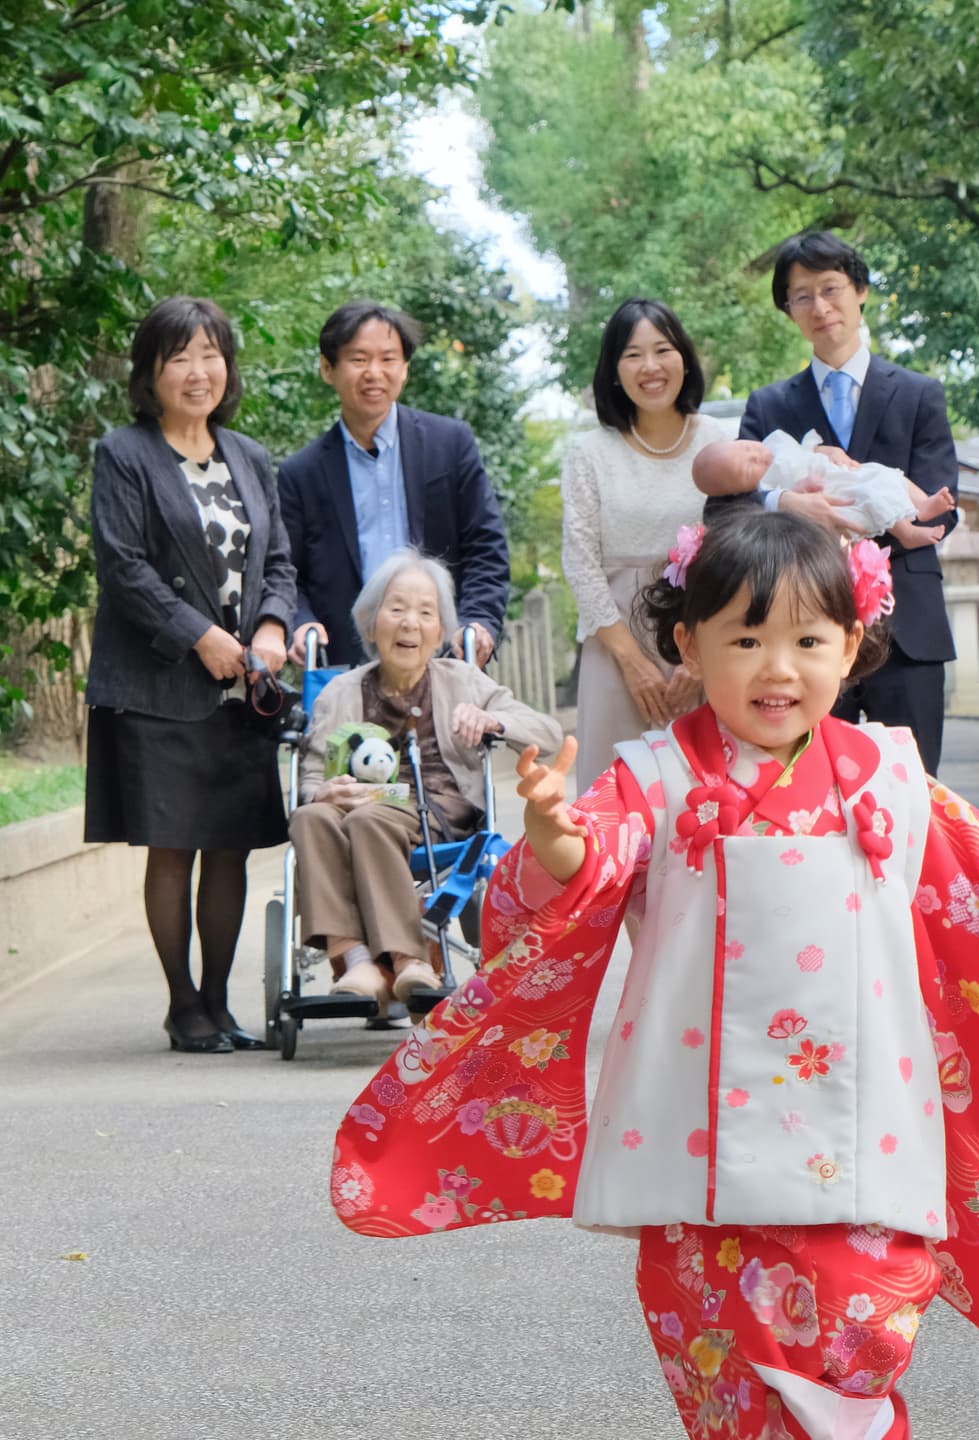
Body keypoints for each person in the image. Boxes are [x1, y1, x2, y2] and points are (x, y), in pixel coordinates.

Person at [328, 510, 979, 1440]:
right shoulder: (654, 775)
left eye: (808, 640)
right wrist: (559, 837)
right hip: (697, 1145)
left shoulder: (889, 776)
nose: (778, 667)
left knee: (857, 1332)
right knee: (720, 1357)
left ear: (851, 645)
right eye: (746, 638)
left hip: (866, 1140)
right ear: (689, 643)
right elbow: (594, 862)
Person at [85, 297, 296, 1054]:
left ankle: (219, 1001)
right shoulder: (125, 454)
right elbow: (124, 568)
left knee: (231, 845)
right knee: (174, 846)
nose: (198, 371)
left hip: (244, 687)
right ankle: (181, 1005)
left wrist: (271, 623)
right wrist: (198, 635)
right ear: (151, 372)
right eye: (180, 357)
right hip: (159, 686)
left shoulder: (248, 456)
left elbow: (277, 562)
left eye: (211, 354)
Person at [709, 230, 959, 776]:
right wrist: (786, 504)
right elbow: (728, 508)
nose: (820, 308)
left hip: (908, 629)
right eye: (802, 297)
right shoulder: (770, 404)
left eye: (830, 288)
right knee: (803, 791)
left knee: (915, 792)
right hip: (796, 633)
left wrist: (856, 513)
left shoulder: (919, 394)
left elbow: (945, 508)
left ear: (860, 289)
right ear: (789, 311)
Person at [292, 548, 563, 1007]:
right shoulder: (339, 692)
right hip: (359, 810)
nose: (409, 623)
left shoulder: (463, 681)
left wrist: (491, 720)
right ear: (371, 620)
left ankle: (408, 958)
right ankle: (355, 960)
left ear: (441, 630)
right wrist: (322, 789)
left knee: (368, 819)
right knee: (309, 818)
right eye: (395, 609)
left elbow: (549, 733)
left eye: (424, 612)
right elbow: (311, 774)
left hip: (437, 816)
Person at [277, 300, 510, 668]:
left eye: (388, 359)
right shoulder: (301, 473)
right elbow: (288, 574)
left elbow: (486, 547)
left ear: (404, 369)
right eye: (358, 359)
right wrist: (300, 624)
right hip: (348, 669)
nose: (374, 372)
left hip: (445, 656)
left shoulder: (449, 445)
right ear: (327, 369)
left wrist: (478, 620)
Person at [561, 297, 728, 792]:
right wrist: (632, 662)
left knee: (704, 791)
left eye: (662, 350)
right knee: (614, 795)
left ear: (684, 358)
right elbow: (581, 562)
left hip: (705, 640)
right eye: (633, 355)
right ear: (614, 370)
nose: (650, 367)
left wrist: (700, 658)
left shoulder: (721, 441)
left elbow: (737, 550)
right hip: (615, 648)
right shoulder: (588, 453)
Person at [692, 431, 955, 550]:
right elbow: (721, 513)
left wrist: (822, 450)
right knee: (871, 495)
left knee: (883, 474)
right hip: (838, 490)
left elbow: (803, 448)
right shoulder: (765, 485)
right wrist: (786, 499)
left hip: (844, 471)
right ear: (741, 487)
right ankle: (906, 531)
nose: (755, 456)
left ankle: (921, 505)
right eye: (747, 468)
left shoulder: (774, 442)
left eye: (746, 448)